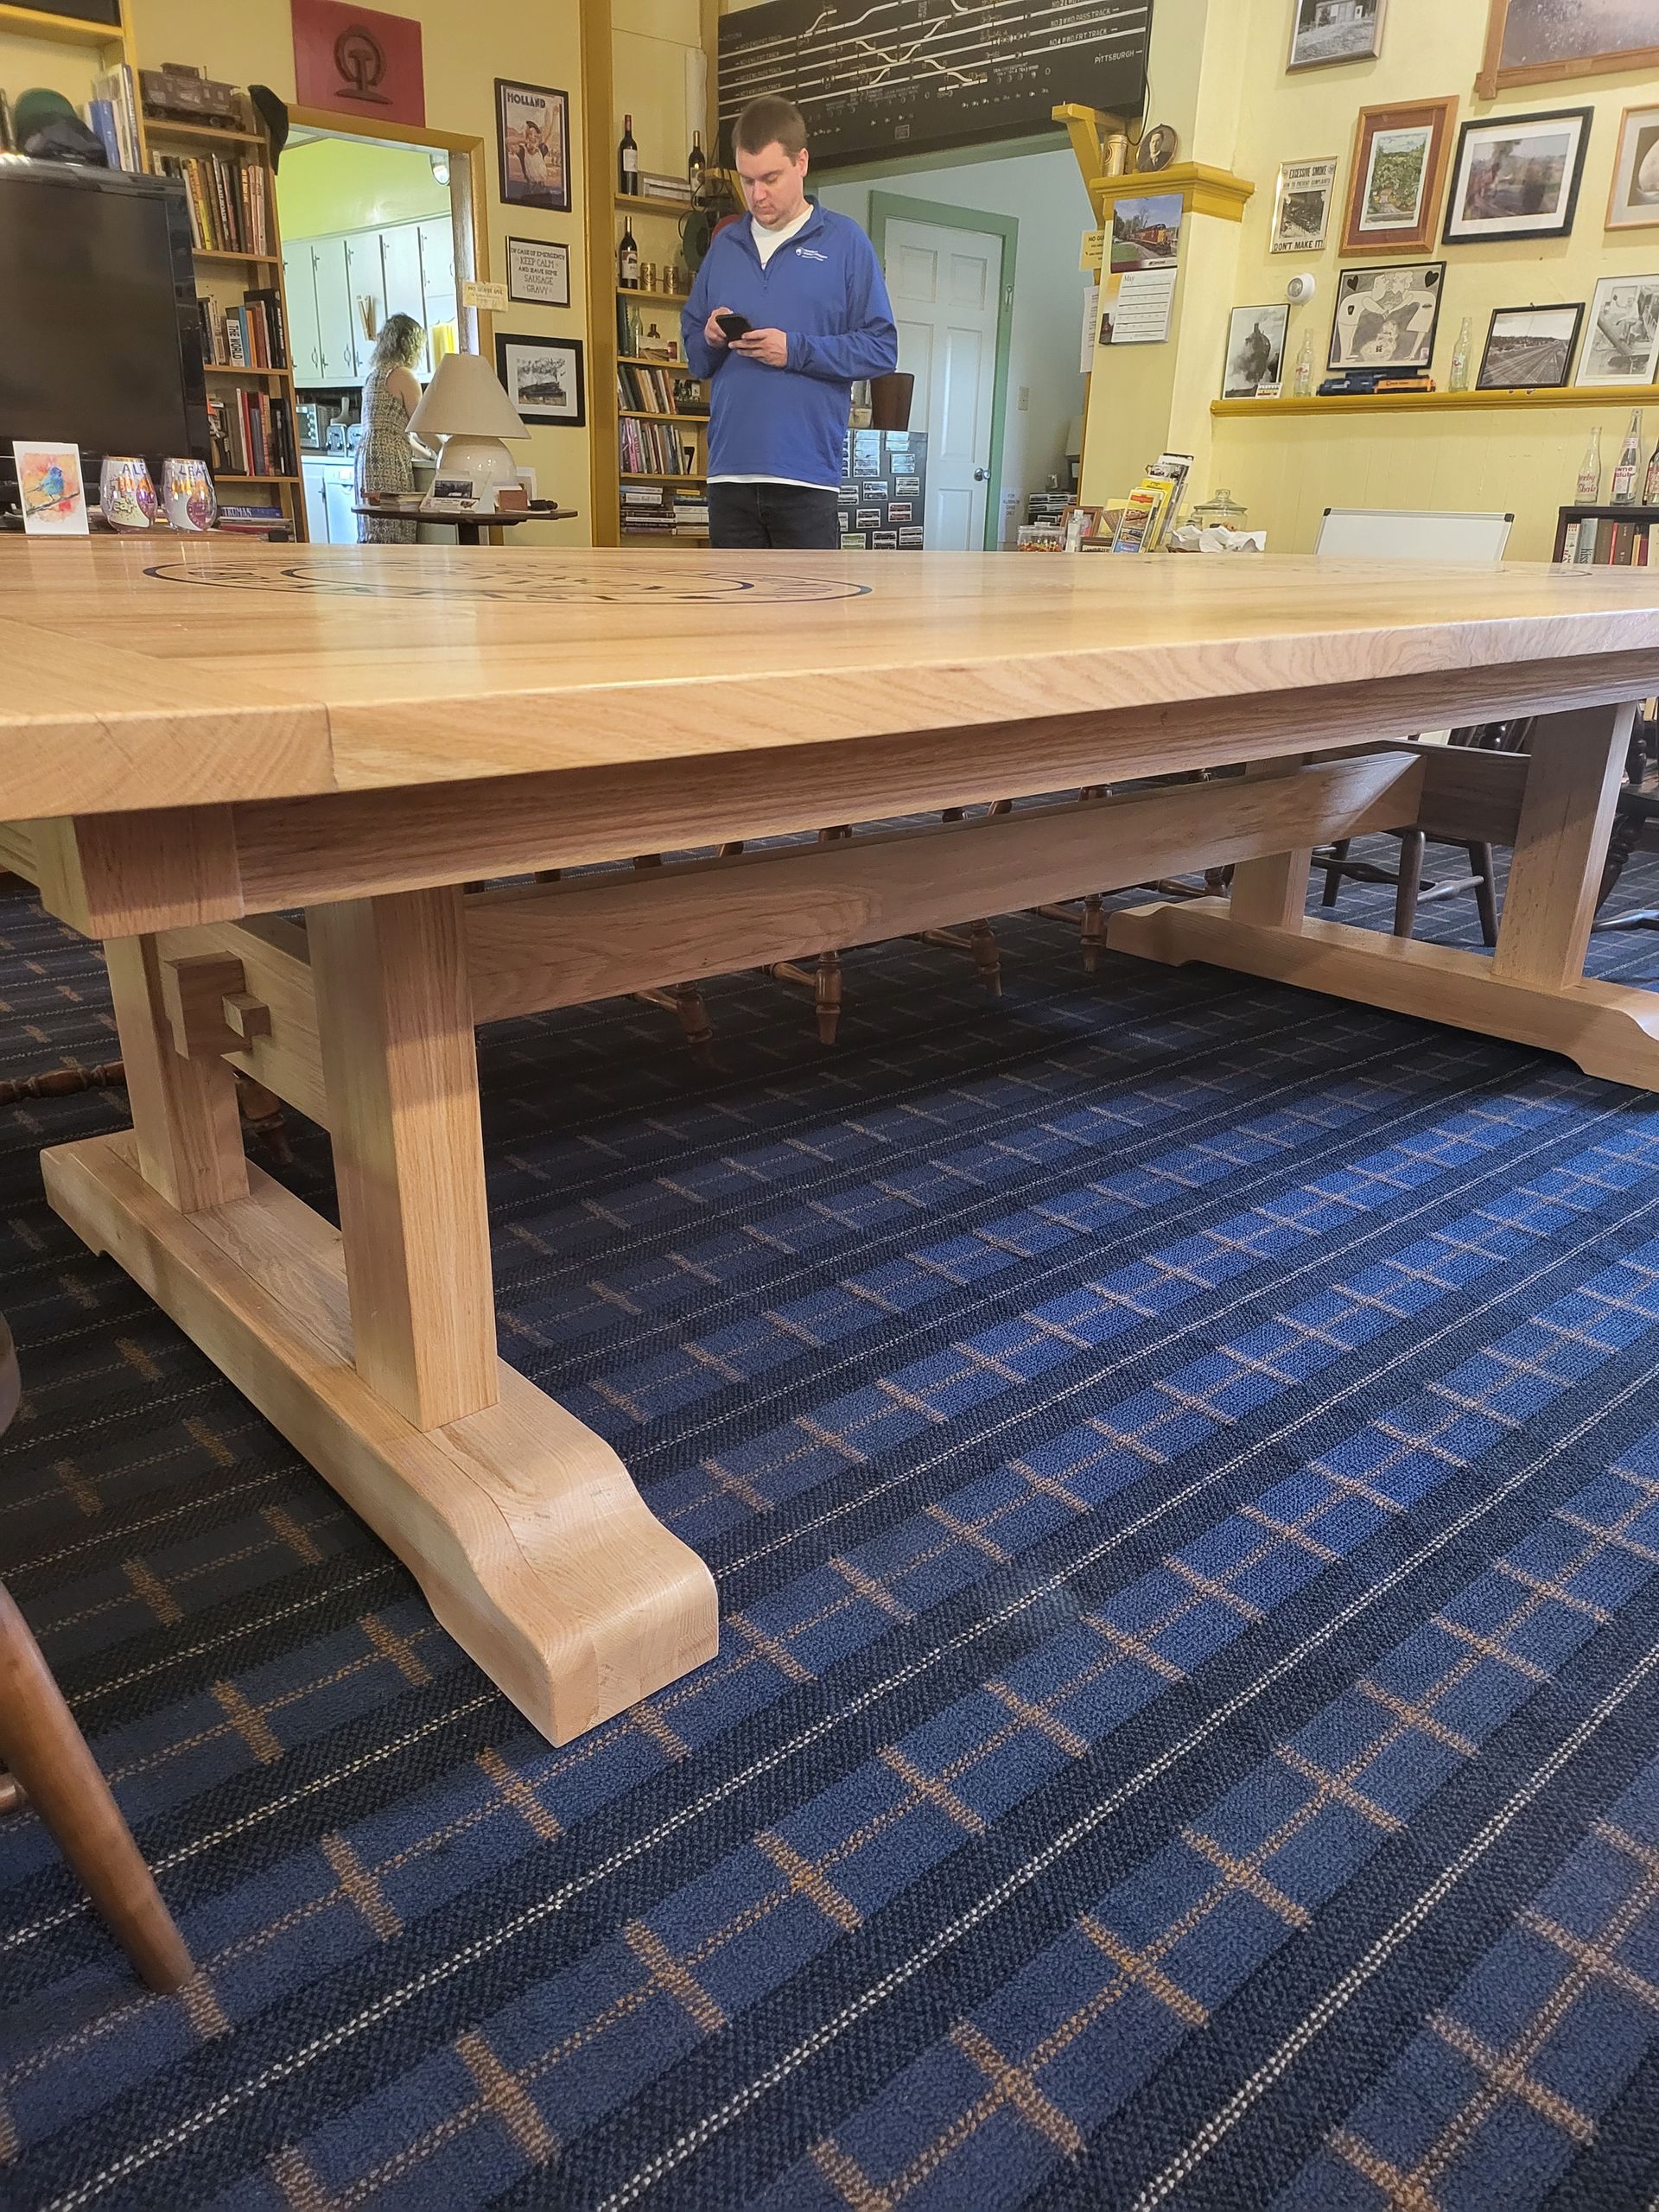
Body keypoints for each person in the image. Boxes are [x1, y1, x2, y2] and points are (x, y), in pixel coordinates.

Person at [682, 95, 897, 549]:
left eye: (770, 178)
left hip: (807, 481)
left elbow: (881, 349)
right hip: (728, 478)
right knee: (733, 621)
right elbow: (697, 361)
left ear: (802, 162)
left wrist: (794, 350)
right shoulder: (723, 249)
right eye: (747, 180)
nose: (757, 195)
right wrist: (710, 335)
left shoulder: (845, 243)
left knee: (812, 620)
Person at [355, 314, 429, 545]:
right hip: (389, 460)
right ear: (409, 343)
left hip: (367, 457)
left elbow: (396, 432)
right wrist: (445, 451)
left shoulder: (373, 376)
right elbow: (422, 426)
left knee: (374, 528)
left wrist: (427, 454)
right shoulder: (404, 375)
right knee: (396, 526)